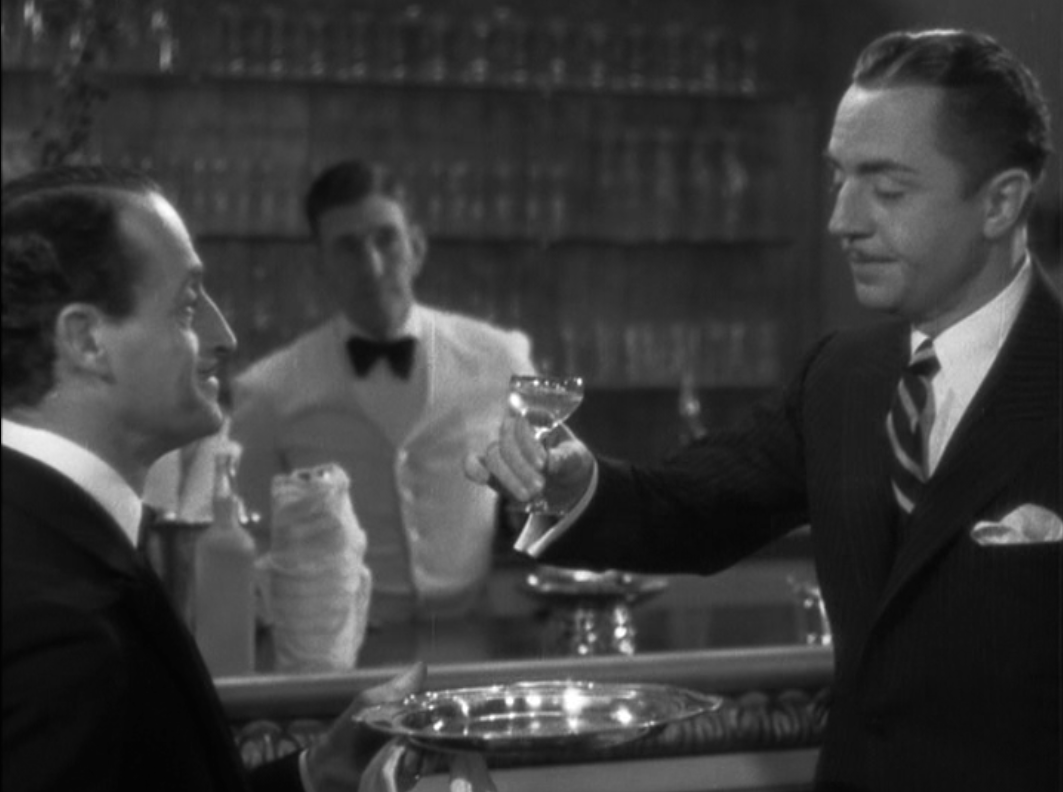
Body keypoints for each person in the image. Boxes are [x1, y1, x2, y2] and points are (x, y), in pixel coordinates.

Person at [468, 29, 1061, 792]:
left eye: (886, 189)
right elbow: (689, 509)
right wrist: (572, 483)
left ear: (1000, 202)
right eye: (838, 179)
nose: (842, 220)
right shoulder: (841, 378)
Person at [0, 165, 465, 792]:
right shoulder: (59, 625)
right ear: (86, 340)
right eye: (188, 306)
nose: (224, 336)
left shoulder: (58, 536)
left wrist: (314, 775)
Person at [231, 159, 535, 626]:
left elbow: (546, 496)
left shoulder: (500, 359)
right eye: (347, 248)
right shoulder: (268, 391)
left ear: (417, 246)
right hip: (338, 645)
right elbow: (253, 539)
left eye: (386, 240)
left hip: (475, 635)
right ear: (318, 266)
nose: (371, 266)